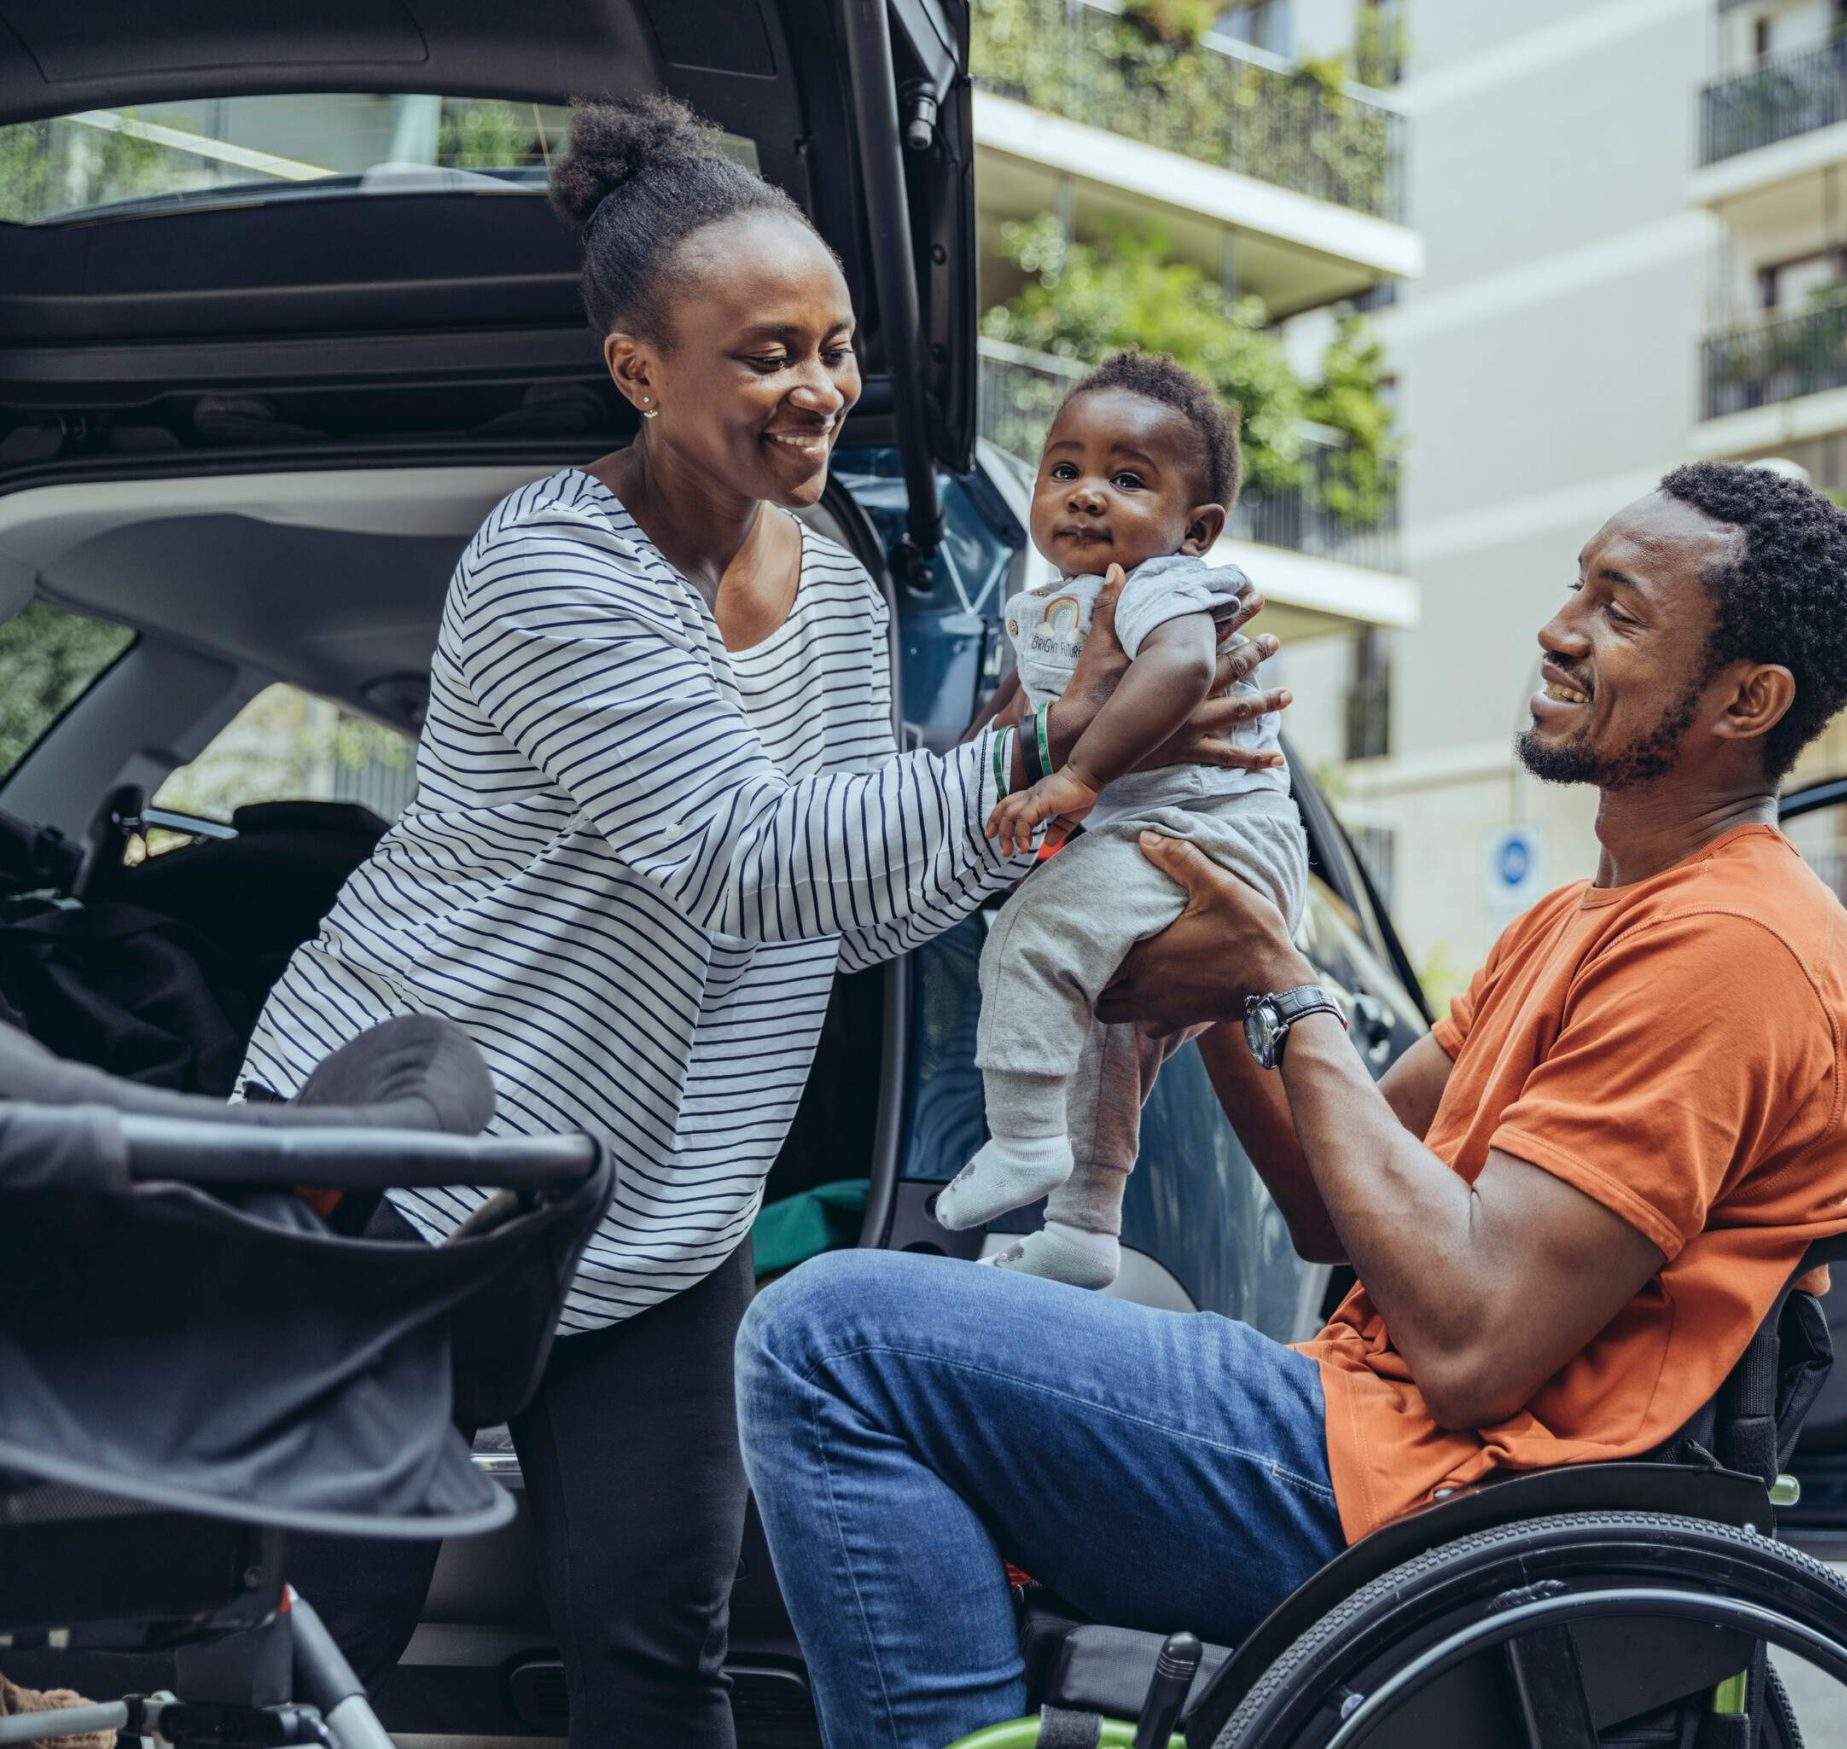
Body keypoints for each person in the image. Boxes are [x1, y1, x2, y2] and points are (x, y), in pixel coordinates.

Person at [235, 94, 1286, 1747]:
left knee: (663, 1643)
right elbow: (744, 853)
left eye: (836, 346)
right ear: (640, 367)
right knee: (321, 1650)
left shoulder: (844, 589)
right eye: (765, 353)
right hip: (421, 1164)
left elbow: (859, 896)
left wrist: (1058, 785)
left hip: (660, 1198)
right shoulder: (551, 565)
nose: (819, 391)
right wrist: (1043, 745)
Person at [737, 460, 1847, 1749]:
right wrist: (1227, 975)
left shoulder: (1733, 946)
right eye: (1576, 589)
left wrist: (1283, 985)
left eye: (1620, 612)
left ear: (1749, 698)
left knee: (828, 1340)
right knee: (1017, 1296)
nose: (1558, 630)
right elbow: (1326, 1207)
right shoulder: (1583, 918)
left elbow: (1468, 1343)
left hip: (1455, 1505)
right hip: (1375, 1440)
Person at [934, 351, 1307, 1288]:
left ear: (1197, 528)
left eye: (1126, 478)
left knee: (1033, 929)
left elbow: (1180, 671)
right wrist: (983, 766)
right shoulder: (1048, 609)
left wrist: (1080, 777)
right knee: (1103, 1035)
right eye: (1065, 470)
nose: (1086, 495)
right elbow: (1004, 731)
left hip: (1209, 840)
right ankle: (1084, 1225)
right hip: (1158, 844)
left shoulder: (1164, 586)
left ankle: (1021, 1141)